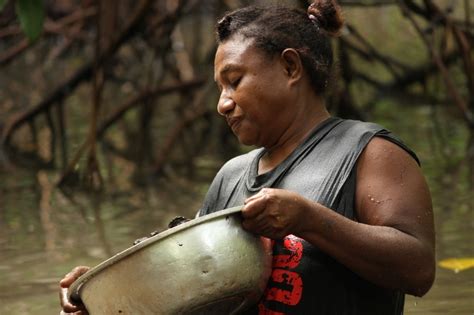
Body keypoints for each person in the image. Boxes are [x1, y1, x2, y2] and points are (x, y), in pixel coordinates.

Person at [59, 0, 436, 314]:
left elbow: (418, 269)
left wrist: (310, 220)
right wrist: (105, 293)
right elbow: (198, 293)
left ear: (290, 68)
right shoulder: (231, 176)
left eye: (235, 80)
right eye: (220, 88)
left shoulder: (369, 152)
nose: (223, 104)